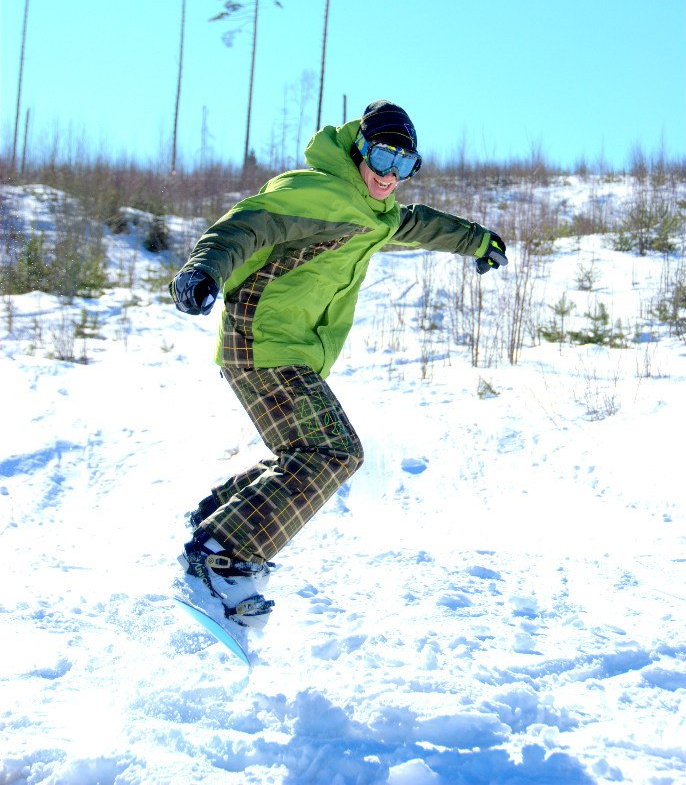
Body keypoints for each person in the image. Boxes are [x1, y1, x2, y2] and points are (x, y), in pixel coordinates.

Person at [169, 100, 507, 627]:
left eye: (404, 165)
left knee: (307, 453)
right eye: (382, 158)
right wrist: (204, 269)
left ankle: (215, 520)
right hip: (262, 340)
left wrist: (478, 241)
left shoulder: (376, 213)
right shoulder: (316, 191)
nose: (389, 176)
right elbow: (247, 225)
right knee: (332, 451)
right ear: (359, 150)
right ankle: (220, 555)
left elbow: (418, 224)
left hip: (286, 350)